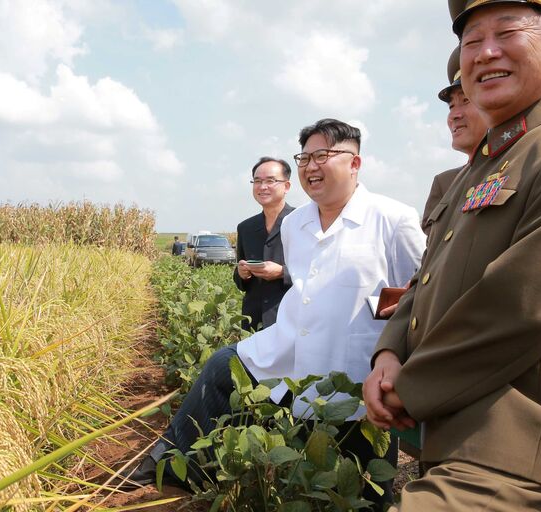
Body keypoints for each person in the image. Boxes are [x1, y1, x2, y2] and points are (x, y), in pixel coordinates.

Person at [129, 119, 425, 509]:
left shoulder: (393, 218)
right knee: (225, 369)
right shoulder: (296, 224)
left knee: (363, 482)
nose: (311, 166)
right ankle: (179, 467)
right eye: (304, 157)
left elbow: (422, 293)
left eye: (324, 155)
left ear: (355, 164)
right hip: (290, 350)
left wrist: (394, 352)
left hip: (353, 364)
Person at [363, 1, 541, 509]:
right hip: (460, 436)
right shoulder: (480, 168)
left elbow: (521, 304)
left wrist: (409, 387)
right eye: (473, 40)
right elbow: (427, 279)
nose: (485, 53)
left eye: (507, 32)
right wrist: (389, 352)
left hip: (524, 454)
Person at [422, 45, 489, 234]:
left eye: (466, 100)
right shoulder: (445, 183)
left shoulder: (525, 165)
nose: (454, 115)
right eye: (451, 106)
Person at [233, 157, 295, 331]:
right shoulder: (246, 227)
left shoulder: (303, 222)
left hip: (291, 319)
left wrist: (282, 273)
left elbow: (318, 271)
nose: (262, 187)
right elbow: (240, 279)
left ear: (287, 186)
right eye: (257, 181)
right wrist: (242, 273)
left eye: (270, 181)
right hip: (254, 322)